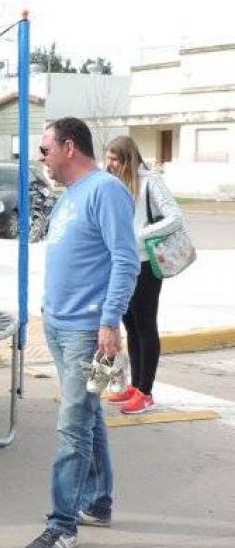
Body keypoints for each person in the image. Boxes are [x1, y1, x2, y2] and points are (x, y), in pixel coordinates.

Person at [25, 117, 139, 548]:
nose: (42, 158)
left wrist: (109, 322)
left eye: (45, 149)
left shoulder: (106, 190)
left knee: (73, 426)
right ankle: (99, 502)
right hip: (59, 325)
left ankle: (62, 526)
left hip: (89, 332)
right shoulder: (72, 194)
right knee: (89, 416)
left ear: (69, 147)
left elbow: (125, 261)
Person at [104, 135, 184, 414]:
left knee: (145, 325)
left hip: (146, 263)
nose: (110, 164)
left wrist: (139, 235)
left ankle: (146, 392)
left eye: (115, 158)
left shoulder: (150, 181)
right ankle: (135, 386)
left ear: (128, 158)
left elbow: (175, 216)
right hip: (122, 264)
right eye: (108, 158)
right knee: (130, 326)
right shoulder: (115, 183)